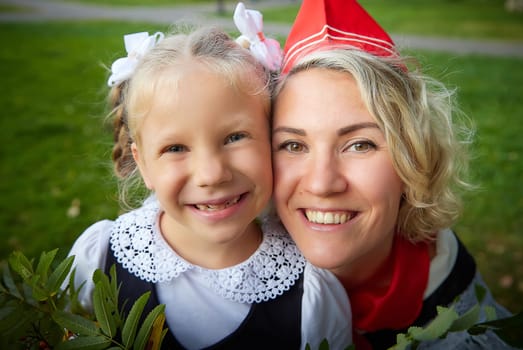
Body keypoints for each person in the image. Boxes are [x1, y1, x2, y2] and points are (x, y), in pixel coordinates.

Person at [65, 19, 353, 350]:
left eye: (235, 137)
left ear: (273, 138)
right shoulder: (99, 261)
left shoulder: (311, 296)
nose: (211, 174)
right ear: (142, 163)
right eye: (175, 148)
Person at [271, 0, 514, 349]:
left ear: (412, 156)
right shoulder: (215, 274)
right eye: (293, 145)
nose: (322, 183)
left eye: (360, 145)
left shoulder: (461, 312)